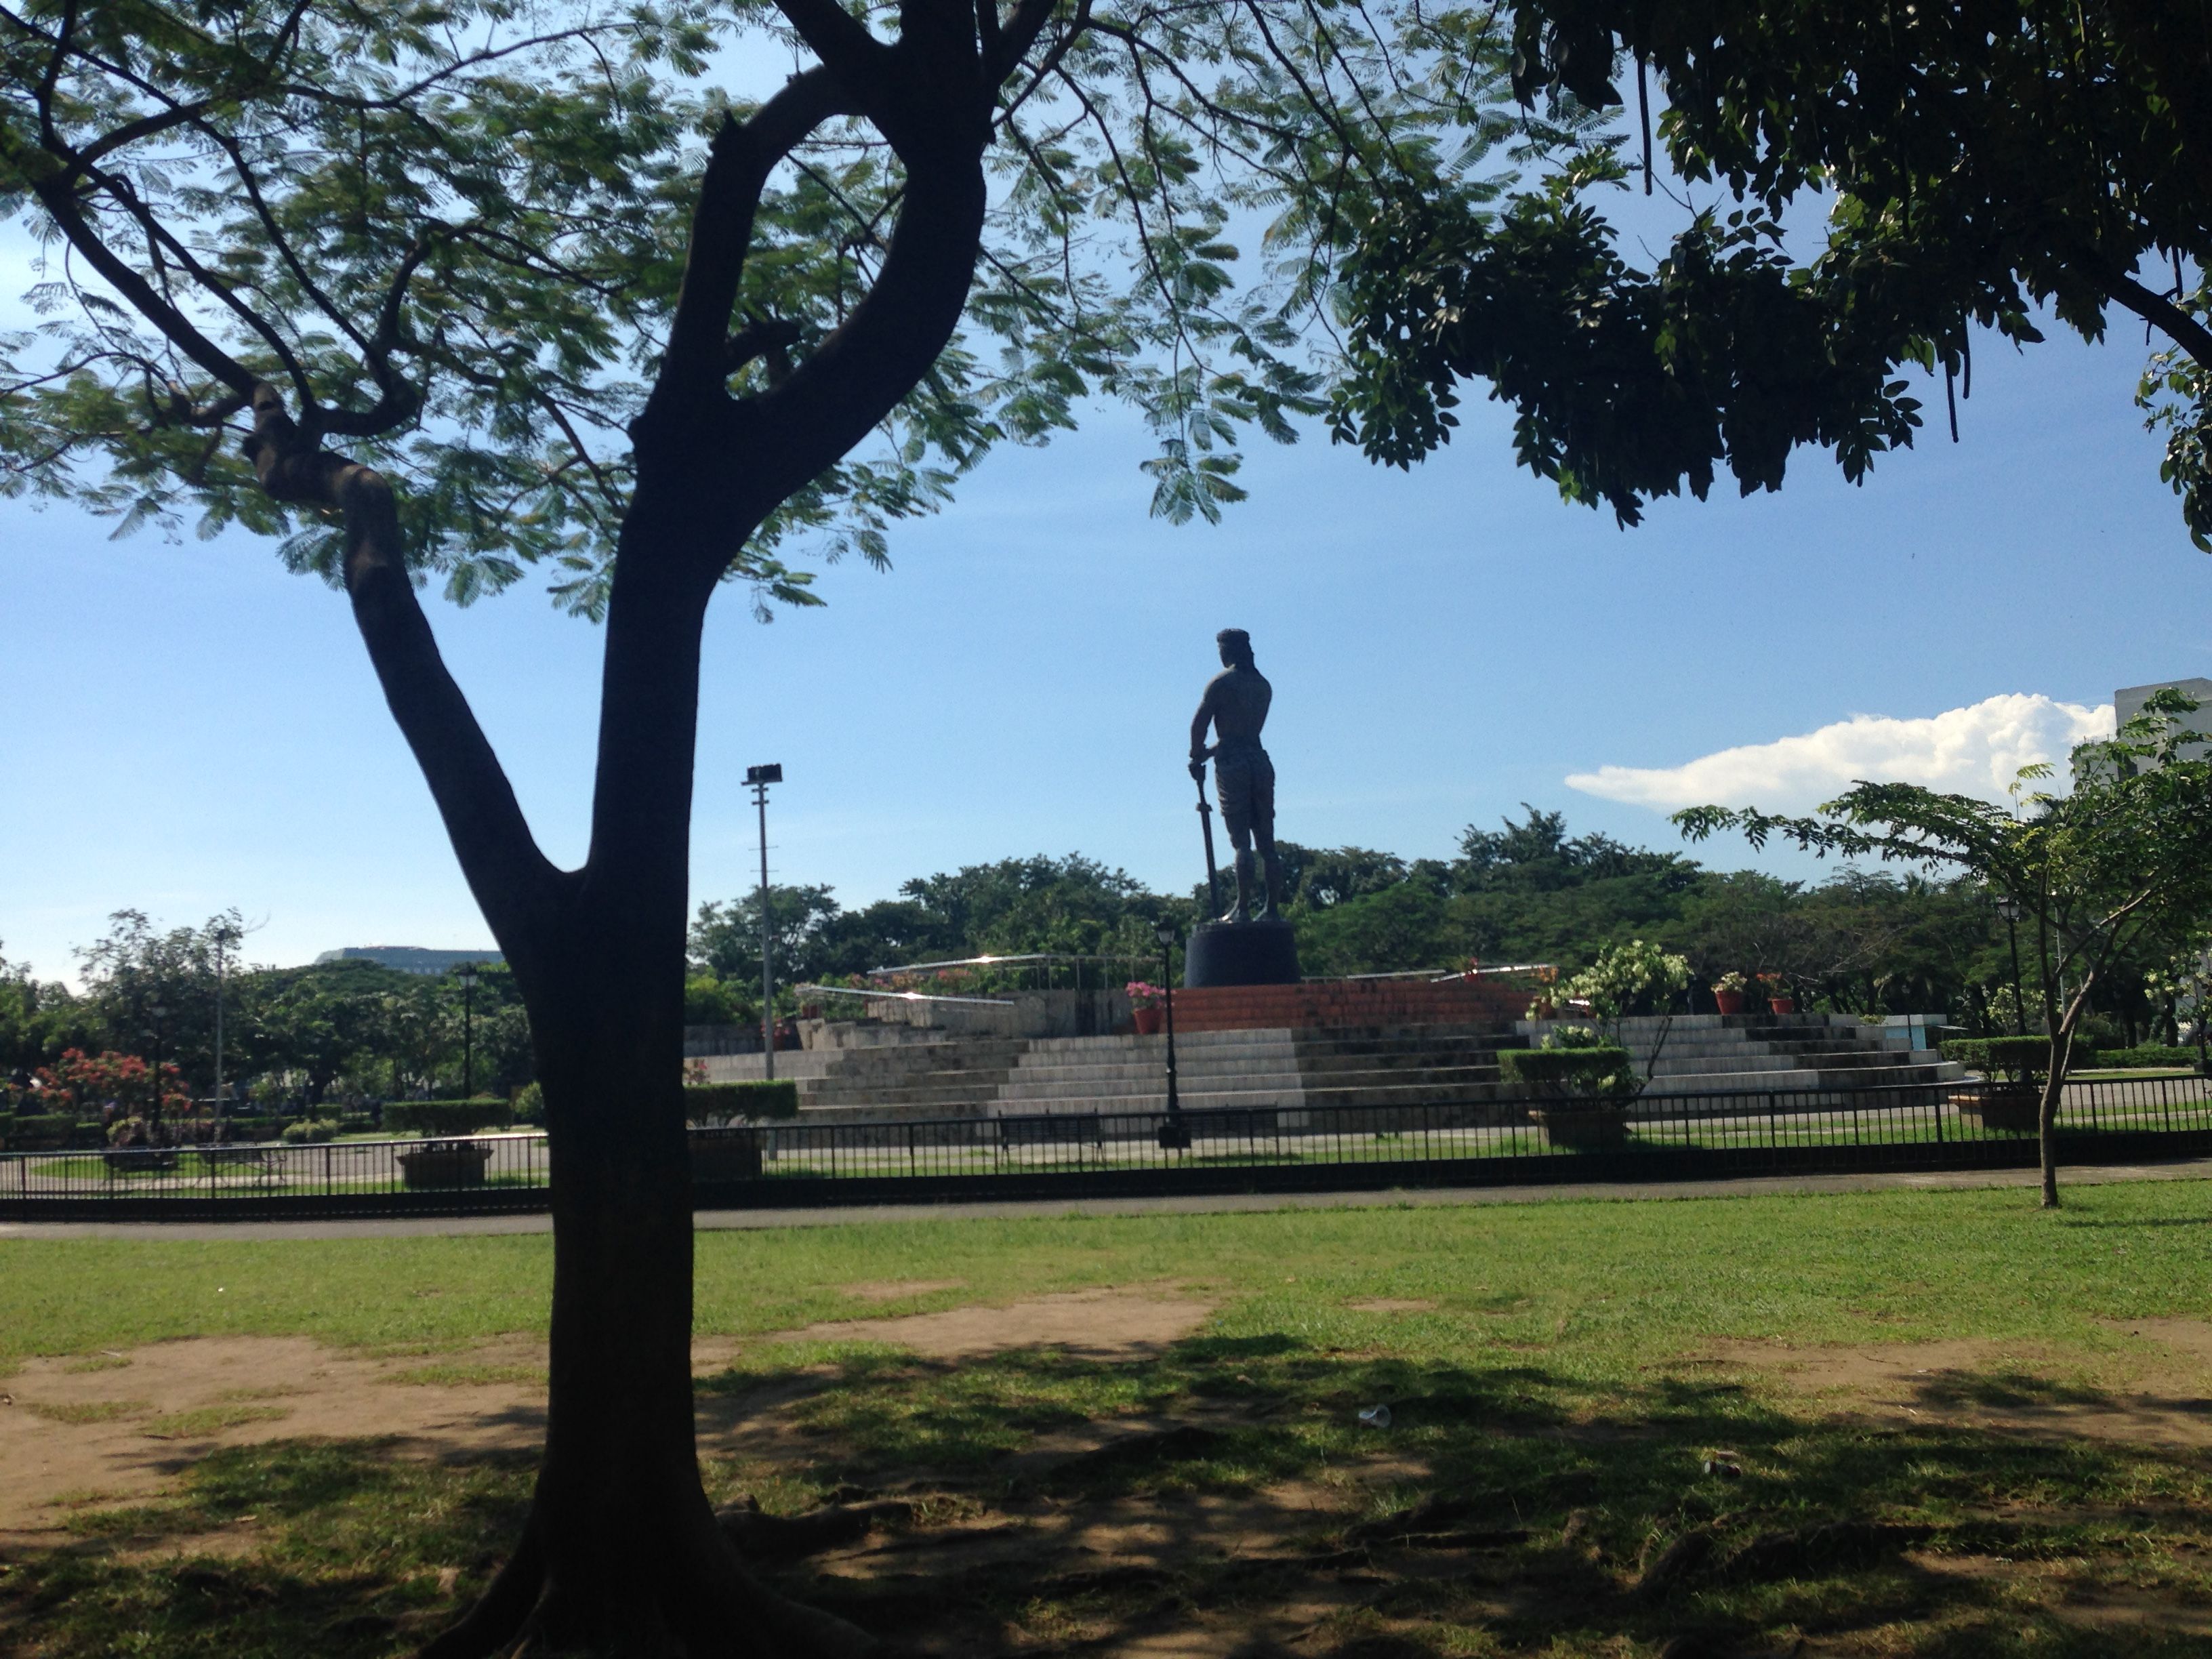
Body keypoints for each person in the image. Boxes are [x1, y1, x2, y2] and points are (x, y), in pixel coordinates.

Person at [1189, 628, 1284, 921]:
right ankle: (1272, 910)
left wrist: (1196, 754)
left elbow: (1200, 724)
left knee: (1242, 842)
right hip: (1259, 759)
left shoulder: (1222, 683)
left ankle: (1242, 908)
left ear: (1227, 650)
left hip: (1234, 765)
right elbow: (1242, 734)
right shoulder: (1262, 685)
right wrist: (1208, 753)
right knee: (1267, 843)